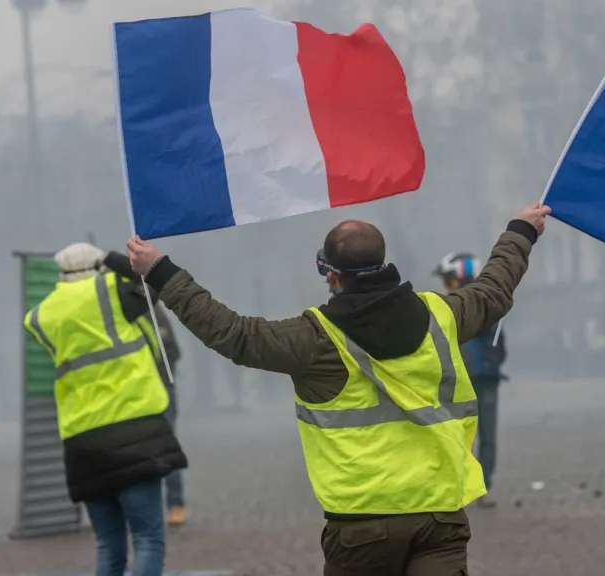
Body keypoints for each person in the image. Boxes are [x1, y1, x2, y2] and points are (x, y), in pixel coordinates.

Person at [126, 204, 551, 575]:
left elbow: (233, 334)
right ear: (384, 264)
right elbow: (494, 288)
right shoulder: (444, 315)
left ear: (331, 275)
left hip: (360, 525)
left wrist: (162, 272)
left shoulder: (313, 339)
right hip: (439, 517)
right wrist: (520, 230)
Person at [24, 243, 187, 576]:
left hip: (83, 442)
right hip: (135, 430)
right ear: (98, 265)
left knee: (108, 548)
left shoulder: (43, 315)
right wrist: (111, 258)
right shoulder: (115, 292)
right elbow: (157, 284)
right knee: (147, 539)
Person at [433, 252, 508, 508]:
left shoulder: (483, 301)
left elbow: (498, 339)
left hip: (479, 379)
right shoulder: (449, 304)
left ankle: (477, 487)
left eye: (448, 277)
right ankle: (470, 488)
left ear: (459, 275)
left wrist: (488, 362)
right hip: (463, 380)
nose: (445, 283)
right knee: (464, 437)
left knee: (475, 436)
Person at [134, 305, 188, 525]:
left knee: (164, 448)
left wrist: (159, 379)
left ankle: (175, 503)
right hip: (136, 392)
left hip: (159, 389)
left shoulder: (151, 312)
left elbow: (172, 351)